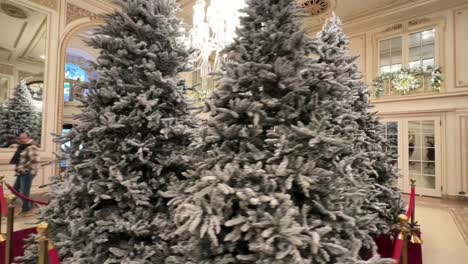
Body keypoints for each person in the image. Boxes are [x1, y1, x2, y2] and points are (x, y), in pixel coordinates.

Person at [9, 133, 39, 216]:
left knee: (24, 191)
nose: (22, 139)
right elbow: (19, 159)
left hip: (27, 172)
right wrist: (19, 168)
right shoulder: (21, 147)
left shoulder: (32, 147)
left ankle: (26, 209)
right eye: (21, 138)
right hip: (21, 172)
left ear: (28, 138)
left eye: (24, 138)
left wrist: (22, 167)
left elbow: (34, 160)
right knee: (14, 189)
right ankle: (29, 204)